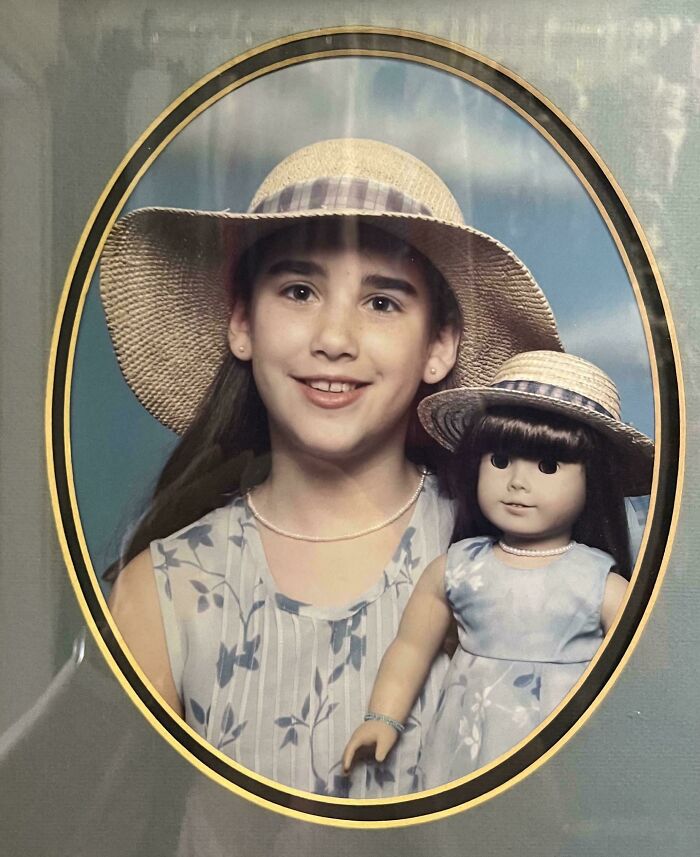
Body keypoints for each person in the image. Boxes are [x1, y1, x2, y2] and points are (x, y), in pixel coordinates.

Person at [103, 138, 563, 798]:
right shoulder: (162, 594)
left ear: (440, 346)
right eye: (298, 289)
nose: (334, 338)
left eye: (382, 302)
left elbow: (541, 815)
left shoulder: (499, 564)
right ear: (242, 321)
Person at [342, 350, 654, 789]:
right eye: (501, 461)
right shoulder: (458, 568)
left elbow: (639, 674)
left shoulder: (599, 583)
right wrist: (383, 719)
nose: (517, 482)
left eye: (548, 466)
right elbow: (412, 647)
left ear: (593, 480)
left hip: (562, 748)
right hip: (465, 739)